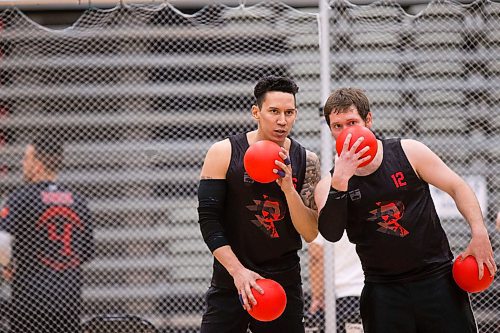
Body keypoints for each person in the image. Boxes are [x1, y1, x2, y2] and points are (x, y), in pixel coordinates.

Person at [318, 87, 497, 333]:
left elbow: (457, 186)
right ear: (330, 130)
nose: (346, 132)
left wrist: (479, 232)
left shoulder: (408, 151)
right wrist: (340, 183)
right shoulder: (328, 183)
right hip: (382, 289)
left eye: (352, 122)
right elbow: (331, 233)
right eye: (338, 126)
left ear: (368, 120)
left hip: (436, 278)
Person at [197, 76, 321, 333]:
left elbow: (310, 232)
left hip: (283, 280)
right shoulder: (224, 152)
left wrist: (288, 190)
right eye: (274, 111)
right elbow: (209, 221)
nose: (282, 120)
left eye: (289, 112)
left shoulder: (306, 160)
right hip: (232, 279)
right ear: (256, 112)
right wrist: (238, 272)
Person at [0, 132, 95, 333]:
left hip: (30, 302)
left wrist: (8, 265)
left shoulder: (22, 197)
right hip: (68, 303)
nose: (22, 163)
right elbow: (86, 254)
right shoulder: (78, 201)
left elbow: (0, 241)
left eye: (26, 158)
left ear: (38, 164)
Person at [305, 235, 363, 332]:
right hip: (368, 292)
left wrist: (317, 296)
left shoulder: (325, 222)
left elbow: (316, 257)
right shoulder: (369, 221)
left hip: (337, 295)